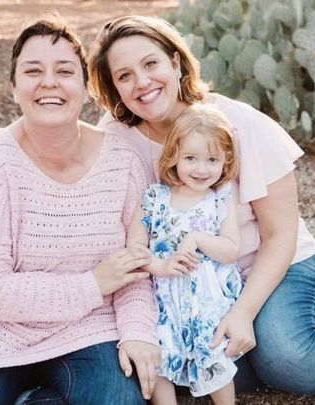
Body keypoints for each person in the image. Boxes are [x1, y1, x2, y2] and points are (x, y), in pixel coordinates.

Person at [88, 15, 315, 405]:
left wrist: (242, 312)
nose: (141, 82)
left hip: (266, 263)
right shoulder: (115, 138)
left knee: (287, 357)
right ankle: (238, 357)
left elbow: (279, 235)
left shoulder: (239, 124)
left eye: (150, 63)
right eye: (124, 76)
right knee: (157, 363)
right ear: (114, 88)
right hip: (177, 278)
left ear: (175, 62)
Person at [0, 18, 161, 405]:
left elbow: (136, 268)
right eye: (33, 71)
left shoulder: (122, 160)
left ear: (86, 87)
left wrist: (138, 332)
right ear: (14, 87)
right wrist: (92, 284)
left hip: (87, 330)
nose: (49, 82)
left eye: (64, 71)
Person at [127, 103, 243, 405]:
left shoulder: (219, 199)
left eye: (212, 159)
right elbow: (135, 247)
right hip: (163, 299)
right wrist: (161, 266)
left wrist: (197, 239)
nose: (201, 169)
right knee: (160, 359)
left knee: (212, 357)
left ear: (226, 160)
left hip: (205, 302)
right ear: (174, 155)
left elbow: (231, 249)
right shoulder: (155, 198)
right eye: (191, 158)